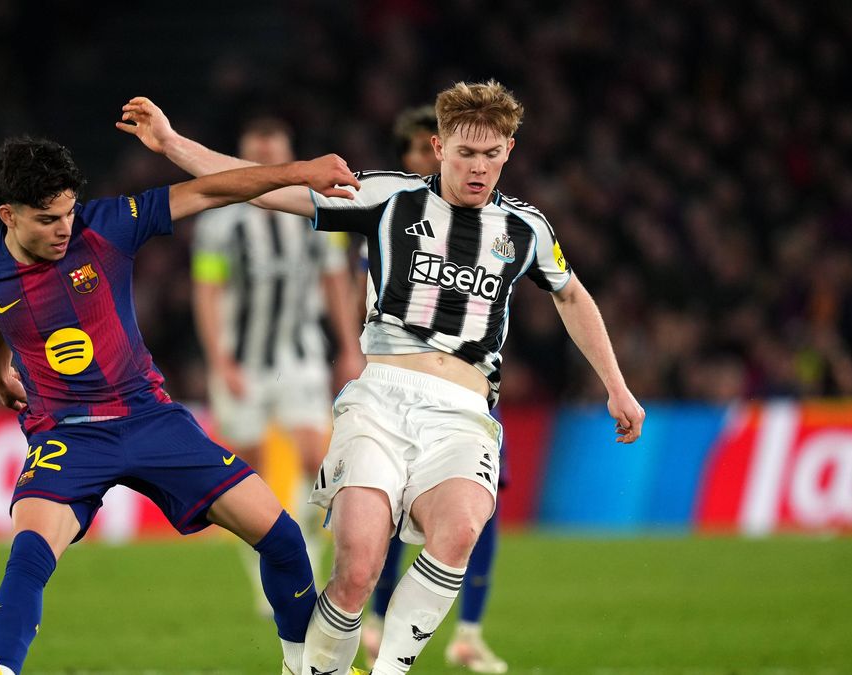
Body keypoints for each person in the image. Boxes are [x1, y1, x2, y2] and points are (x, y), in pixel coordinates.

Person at [116, 79, 645, 675]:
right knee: (358, 568)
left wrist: (617, 386)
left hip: (465, 410)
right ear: (439, 147)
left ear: (509, 151)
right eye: (465, 152)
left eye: (491, 154)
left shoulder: (526, 229)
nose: (478, 167)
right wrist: (174, 143)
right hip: (382, 399)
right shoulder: (389, 197)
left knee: (461, 528)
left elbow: (570, 294)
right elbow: (269, 189)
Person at [0, 133, 360, 675]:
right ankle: (2, 669)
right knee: (29, 554)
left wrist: (299, 172)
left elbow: (213, 190)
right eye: (47, 219)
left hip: (150, 419)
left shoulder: (107, 226)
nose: (64, 229)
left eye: (68, 213)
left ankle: (304, 668)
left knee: (283, 537)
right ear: (8, 216)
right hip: (67, 434)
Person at [356, 105, 507, 674]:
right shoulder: (389, 213)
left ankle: (468, 630)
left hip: (468, 393)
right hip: (397, 385)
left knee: (477, 511)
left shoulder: (499, 224)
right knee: (391, 507)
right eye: (422, 149)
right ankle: (375, 619)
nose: (431, 158)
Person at [192, 116, 364, 612]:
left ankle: (306, 548)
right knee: (250, 474)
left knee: (317, 459)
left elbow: (335, 281)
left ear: (289, 158)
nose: (265, 164)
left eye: (273, 156)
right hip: (241, 359)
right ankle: (264, 566)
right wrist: (219, 360)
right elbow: (207, 292)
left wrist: (349, 348)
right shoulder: (219, 221)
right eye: (256, 157)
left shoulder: (315, 211)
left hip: (299, 354)